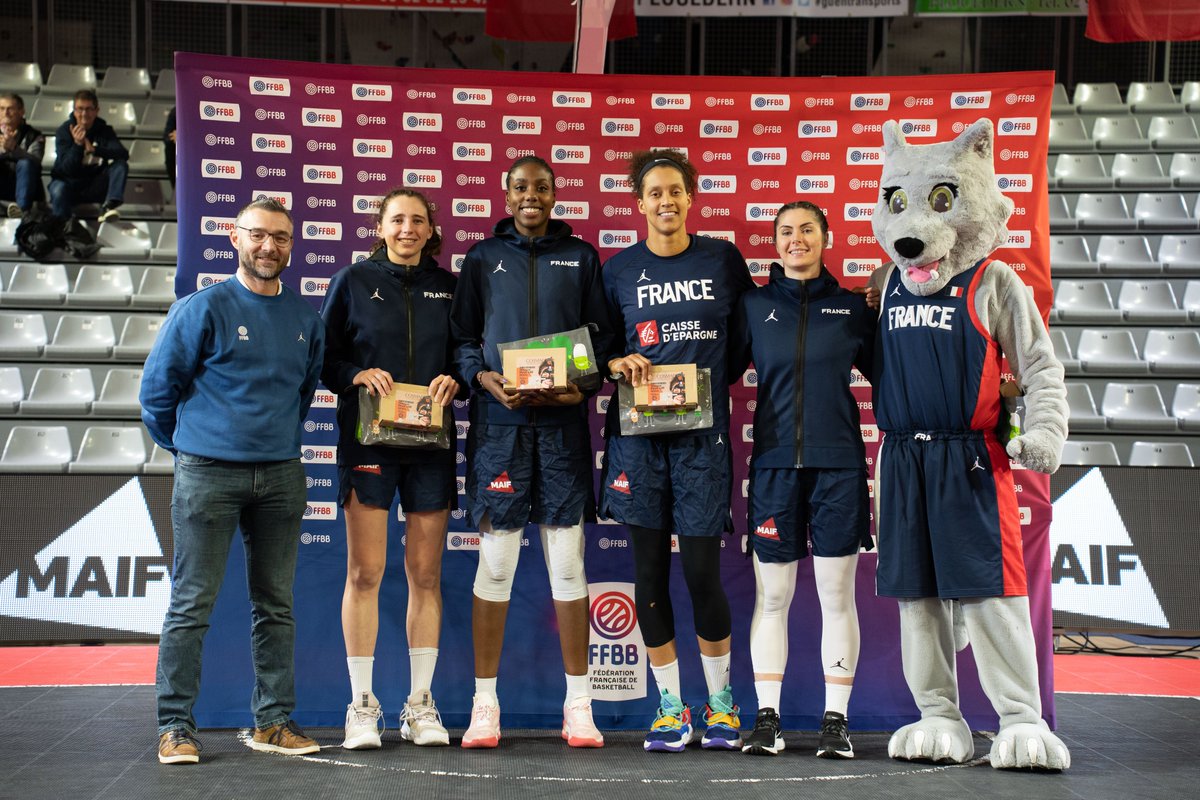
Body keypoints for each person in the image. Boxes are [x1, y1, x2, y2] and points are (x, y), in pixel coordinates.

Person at [141, 198, 325, 765]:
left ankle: (273, 721)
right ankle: (174, 726)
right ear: (234, 237)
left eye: (281, 237)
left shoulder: (305, 318)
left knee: (276, 605)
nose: (270, 246)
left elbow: (303, 394)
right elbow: (156, 395)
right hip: (207, 475)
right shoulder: (203, 308)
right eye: (258, 235)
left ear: (292, 244)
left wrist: (272, 448)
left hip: (280, 476)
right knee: (191, 604)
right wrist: (196, 448)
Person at [449, 155, 612, 749]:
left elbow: (601, 342)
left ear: (555, 192)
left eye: (541, 187)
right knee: (497, 564)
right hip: (499, 428)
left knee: (568, 565)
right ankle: (484, 706)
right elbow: (464, 338)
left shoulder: (583, 256)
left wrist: (583, 385)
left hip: (564, 428)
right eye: (521, 188)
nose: (531, 197)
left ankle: (580, 706)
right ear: (506, 192)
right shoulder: (483, 259)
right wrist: (482, 379)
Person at [600, 148, 756, 752]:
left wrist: (707, 385)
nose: (666, 202)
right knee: (648, 578)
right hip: (637, 446)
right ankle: (670, 707)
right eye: (654, 193)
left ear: (691, 198)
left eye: (675, 191)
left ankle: (720, 703)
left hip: (701, 442)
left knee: (700, 574)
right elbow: (602, 351)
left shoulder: (722, 258)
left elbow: (743, 342)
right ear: (638, 203)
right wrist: (618, 361)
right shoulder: (617, 271)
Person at [731, 201, 876, 758]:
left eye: (807, 230)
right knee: (774, 598)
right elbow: (710, 372)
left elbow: (894, 382)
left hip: (839, 465)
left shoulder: (851, 309)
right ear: (774, 242)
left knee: (836, 595)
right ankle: (767, 720)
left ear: (826, 237)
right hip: (771, 468)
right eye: (786, 231)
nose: (797, 239)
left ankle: (834, 722)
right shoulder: (753, 305)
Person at [320, 188, 460, 750]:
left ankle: (419, 705)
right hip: (369, 446)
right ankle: (361, 705)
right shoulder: (352, 281)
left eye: (418, 221)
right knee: (365, 574)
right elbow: (326, 360)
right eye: (397, 219)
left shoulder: (449, 288)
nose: (407, 228)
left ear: (430, 230)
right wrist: (356, 375)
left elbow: (467, 360)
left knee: (426, 576)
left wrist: (457, 379)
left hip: (431, 447)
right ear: (380, 226)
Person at [48, 89, 128, 222]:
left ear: (96, 111)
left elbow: (123, 154)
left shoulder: (105, 131)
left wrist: (95, 150)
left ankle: (110, 205)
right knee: (58, 189)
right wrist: (78, 146)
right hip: (68, 183)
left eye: (89, 109)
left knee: (120, 165)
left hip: (93, 184)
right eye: (80, 109)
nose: (84, 114)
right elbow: (67, 169)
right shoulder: (64, 131)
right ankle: (62, 230)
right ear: (74, 111)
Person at [0, 92, 44, 217]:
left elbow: (36, 161)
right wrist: (3, 150)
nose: (5, 113)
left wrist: (14, 148)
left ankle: (21, 212)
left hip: (25, 186)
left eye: (10, 109)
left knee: (26, 163)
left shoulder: (34, 135)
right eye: (2, 109)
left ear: (21, 112)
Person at [163, 105, 176, 189]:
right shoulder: (177, 111)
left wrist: (184, 136)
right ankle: (176, 189)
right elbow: (166, 137)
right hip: (182, 154)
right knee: (169, 148)